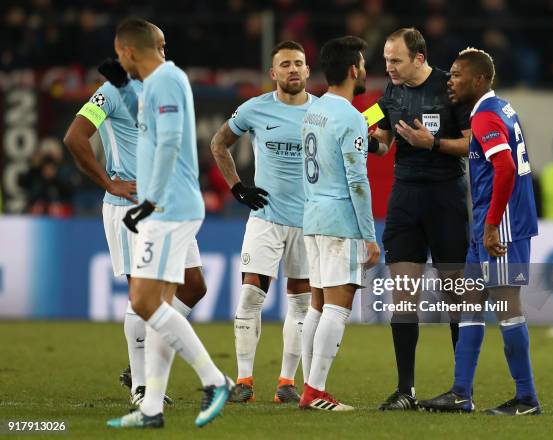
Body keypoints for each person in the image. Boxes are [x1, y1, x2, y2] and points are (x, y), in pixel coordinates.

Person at [63, 27, 207, 408]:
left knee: (194, 286)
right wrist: (108, 182)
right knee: (141, 295)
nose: (164, 49)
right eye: (158, 44)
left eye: (164, 43)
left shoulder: (162, 85)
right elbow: (75, 137)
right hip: (131, 206)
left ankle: (142, 355)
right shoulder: (109, 91)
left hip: (168, 204)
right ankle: (141, 385)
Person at [102, 18, 231, 428]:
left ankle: (215, 380)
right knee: (154, 304)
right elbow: (155, 135)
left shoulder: (166, 81)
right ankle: (151, 408)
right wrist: (123, 89)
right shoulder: (155, 84)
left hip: (169, 207)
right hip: (168, 205)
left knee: (143, 303)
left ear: (126, 51)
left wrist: (151, 200)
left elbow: (172, 140)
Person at [420, 47, 541, 415]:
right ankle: (461, 392)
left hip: (500, 228)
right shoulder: (500, 108)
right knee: (471, 306)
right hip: (488, 227)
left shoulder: (487, 116)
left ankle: (526, 398)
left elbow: (504, 168)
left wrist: (491, 227)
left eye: (457, 75)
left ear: (479, 79)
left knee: (508, 309)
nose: (450, 80)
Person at [371, 27, 471, 411]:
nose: (389, 67)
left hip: (445, 197)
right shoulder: (391, 92)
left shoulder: (450, 87)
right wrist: (367, 141)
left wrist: (434, 145)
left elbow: (471, 142)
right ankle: (405, 390)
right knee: (403, 295)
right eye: (385, 60)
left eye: (395, 60)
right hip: (405, 198)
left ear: (418, 57)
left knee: (454, 295)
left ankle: (462, 388)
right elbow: (381, 140)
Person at [209, 40, 315, 404]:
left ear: (307, 70)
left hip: (307, 221)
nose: (293, 70)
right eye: (285, 64)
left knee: (301, 304)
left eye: (299, 63)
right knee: (251, 295)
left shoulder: (323, 112)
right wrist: (237, 187)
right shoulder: (254, 109)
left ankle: (287, 382)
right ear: (273, 74)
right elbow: (218, 143)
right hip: (265, 216)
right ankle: (244, 380)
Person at [299, 35, 380, 411]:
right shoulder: (349, 116)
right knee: (338, 305)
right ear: (353, 70)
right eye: (362, 64)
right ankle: (315, 391)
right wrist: (369, 235)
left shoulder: (313, 111)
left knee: (317, 304)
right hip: (339, 221)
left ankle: (307, 386)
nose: (365, 69)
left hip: (313, 216)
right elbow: (358, 182)